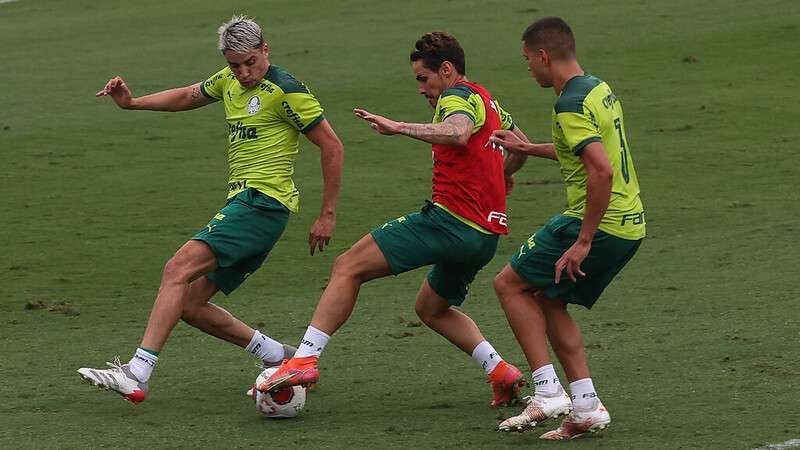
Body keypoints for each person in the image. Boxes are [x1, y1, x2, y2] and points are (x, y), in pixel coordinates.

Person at [77, 15, 344, 404]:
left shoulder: (286, 90)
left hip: (261, 204)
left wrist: (328, 213)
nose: (244, 72)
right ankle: (281, 357)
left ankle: (137, 373)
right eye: (235, 65)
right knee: (189, 304)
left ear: (265, 50)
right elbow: (188, 96)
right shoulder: (229, 81)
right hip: (250, 208)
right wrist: (132, 103)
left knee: (176, 269)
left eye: (250, 62)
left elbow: (333, 145)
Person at [259, 31, 529, 407]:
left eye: (424, 78)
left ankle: (304, 359)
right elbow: (520, 143)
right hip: (485, 237)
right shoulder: (490, 100)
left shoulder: (458, 97)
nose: (421, 89)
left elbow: (458, 132)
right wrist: (504, 174)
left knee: (348, 266)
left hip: (449, 223)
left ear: (447, 70)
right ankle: (501, 372)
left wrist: (398, 126)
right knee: (431, 309)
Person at [489, 17, 646, 439]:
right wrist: (527, 148)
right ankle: (585, 406)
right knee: (547, 299)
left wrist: (583, 240)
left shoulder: (569, 105)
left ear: (543, 56)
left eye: (527, 60)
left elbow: (600, 171)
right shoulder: (596, 88)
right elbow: (583, 152)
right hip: (630, 223)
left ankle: (547, 393)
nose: (528, 68)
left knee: (508, 284)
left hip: (597, 222)